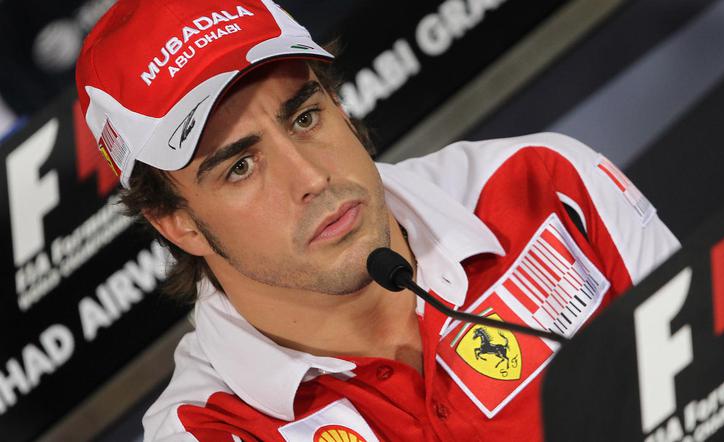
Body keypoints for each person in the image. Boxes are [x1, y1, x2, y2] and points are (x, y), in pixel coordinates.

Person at [76, 0, 680, 440]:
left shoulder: (542, 185)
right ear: (176, 223)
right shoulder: (207, 429)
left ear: (337, 103)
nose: (311, 177)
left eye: (304, 118)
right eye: (240, 167)